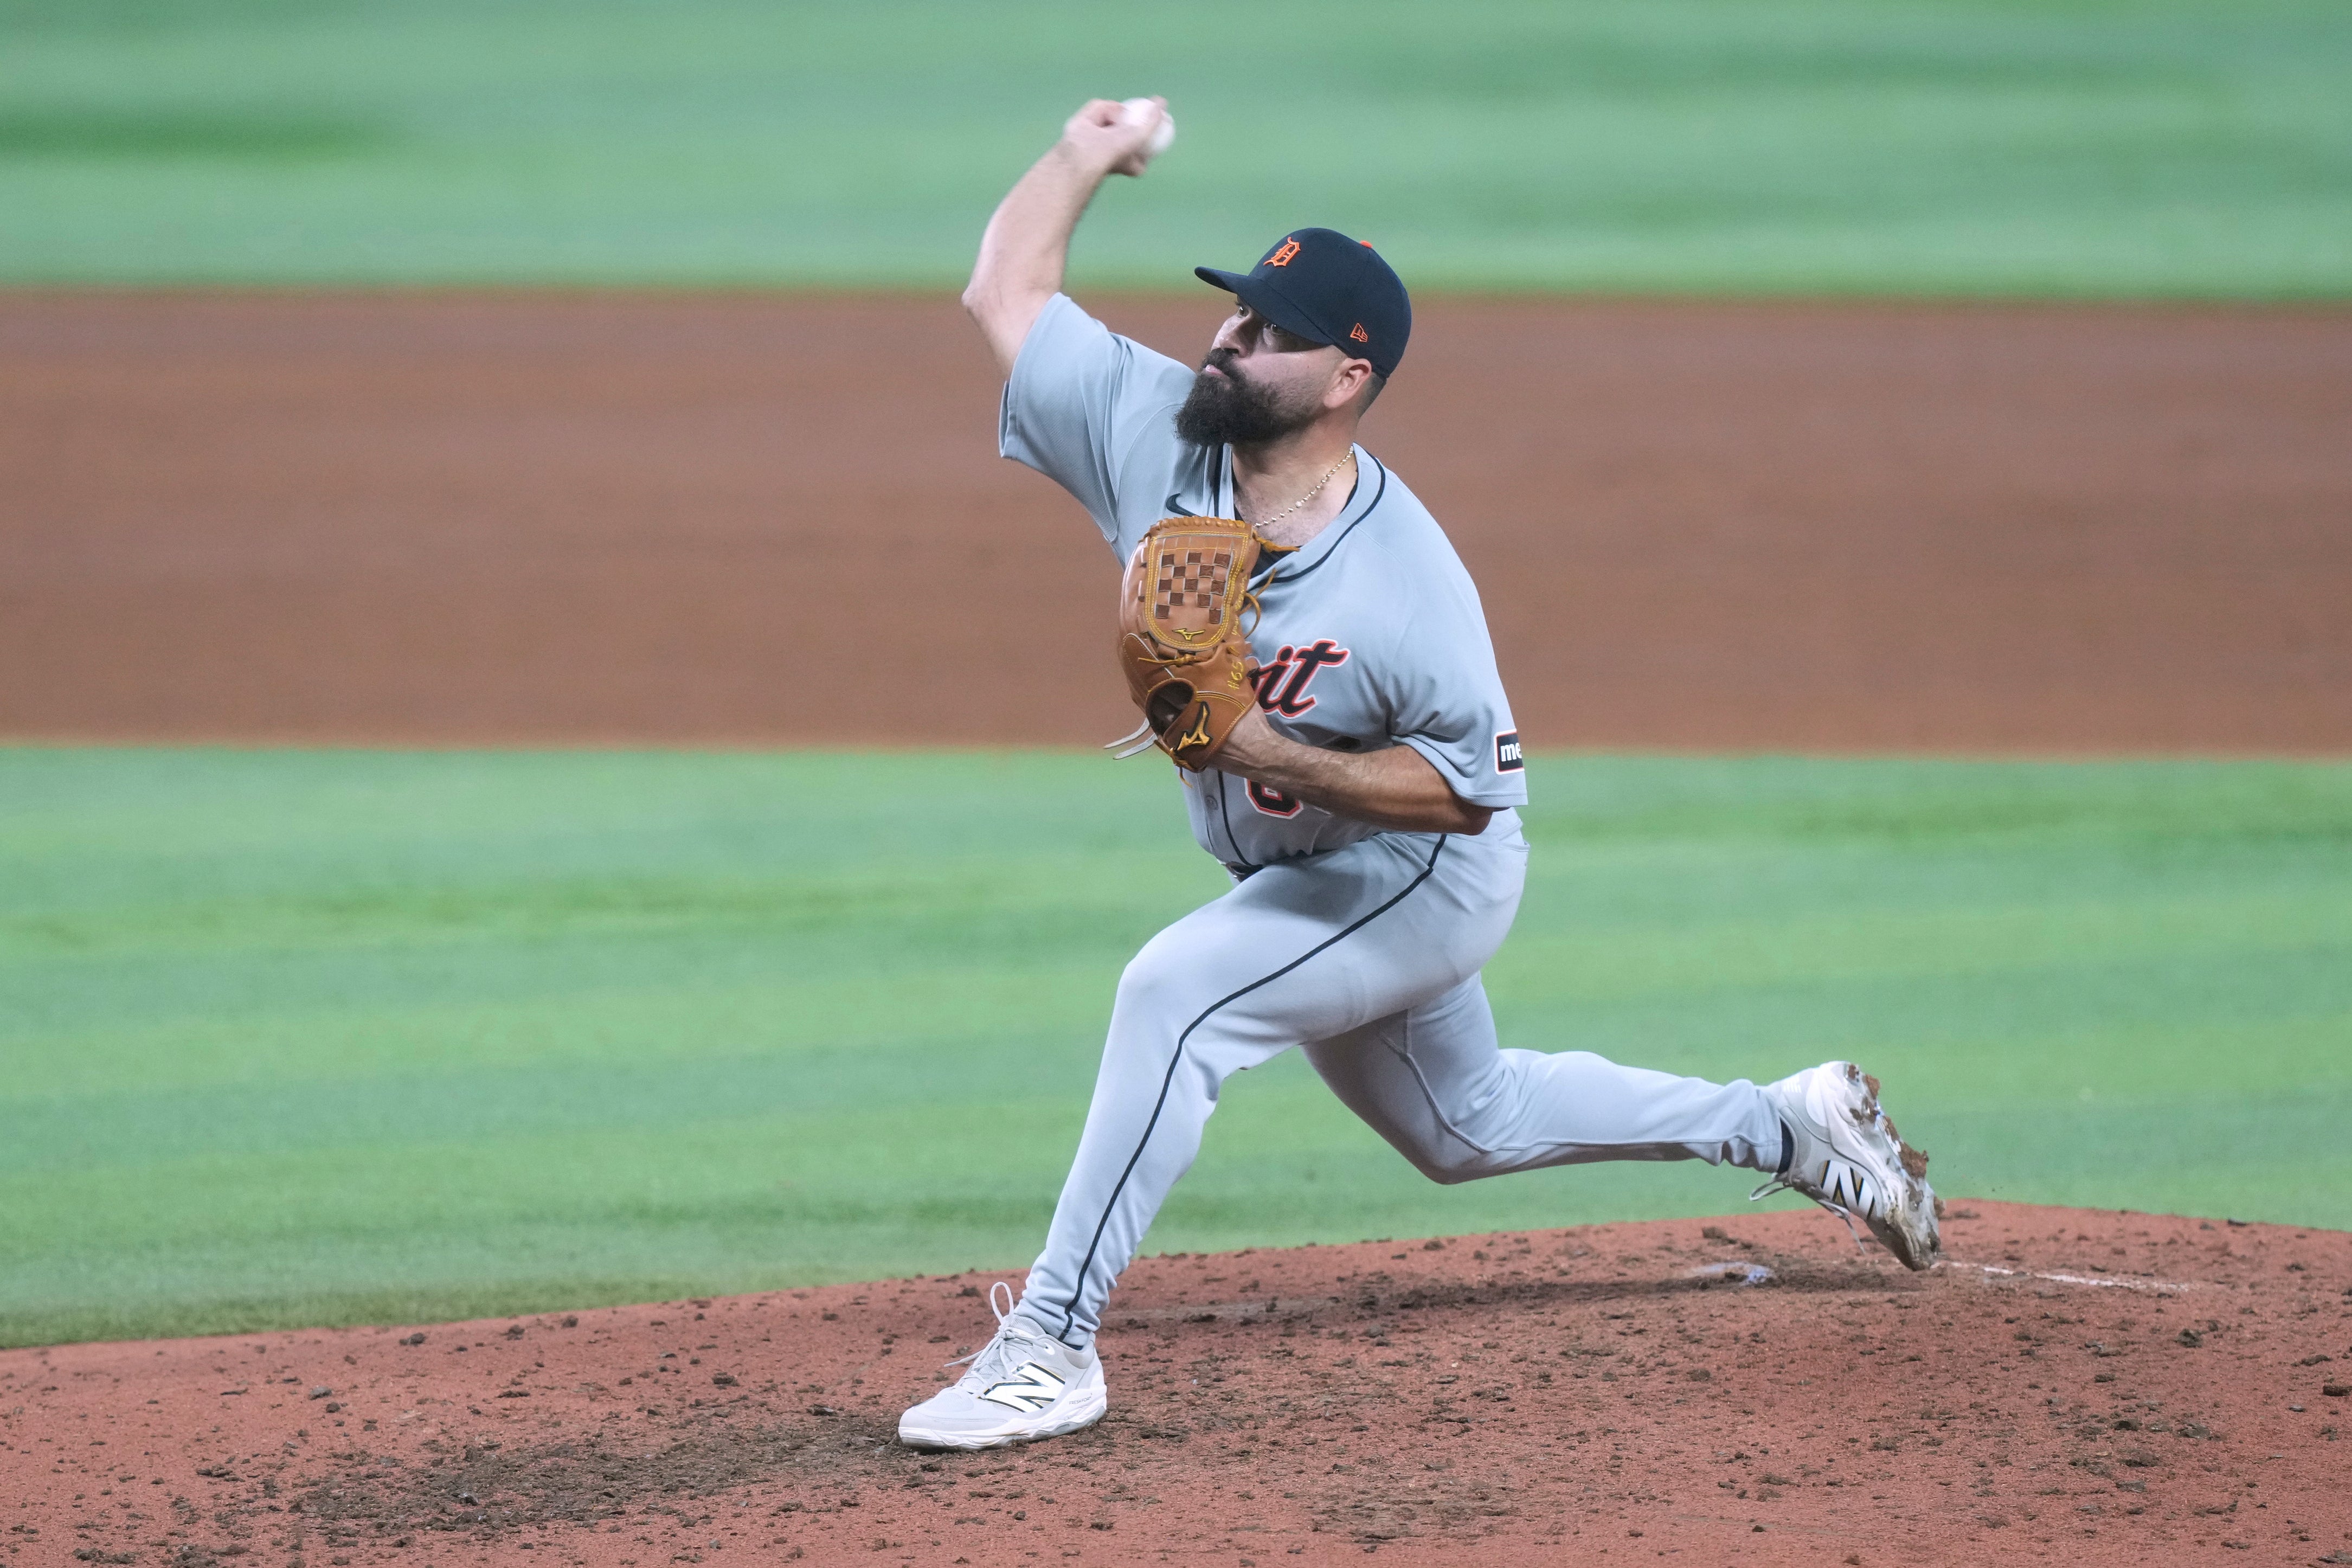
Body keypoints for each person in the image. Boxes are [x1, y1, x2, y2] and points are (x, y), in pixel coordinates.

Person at [897, 98, 1938, 1452]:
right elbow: (1006, 286)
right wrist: (1090, 150)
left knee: (1177, 995)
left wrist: (1259, 748)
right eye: (1236, 312)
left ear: (1346, 378)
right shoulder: (1155, 427)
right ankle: (1791, 1128)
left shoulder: (1408, 582)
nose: (1231, 338)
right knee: (1467, 1124)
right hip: (1309, 867)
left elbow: (1470, 792)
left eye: (1272, 334)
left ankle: (1049, 1347)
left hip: (1424, 873)